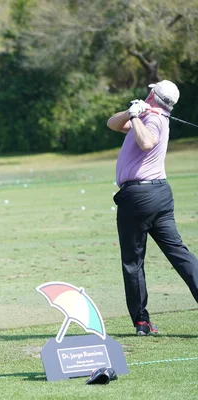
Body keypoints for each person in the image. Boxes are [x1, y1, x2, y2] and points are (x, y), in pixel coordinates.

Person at [107, 80, 198, 336]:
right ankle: (142, 320)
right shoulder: (149, 116)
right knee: (179, 253)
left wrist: (136, 117)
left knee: (133, 261)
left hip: (139, 197)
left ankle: (141, 322)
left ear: (151, 93)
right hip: (158, 194)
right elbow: (112, 124)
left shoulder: (154, 121)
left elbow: (147, 143)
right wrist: (131, 113)